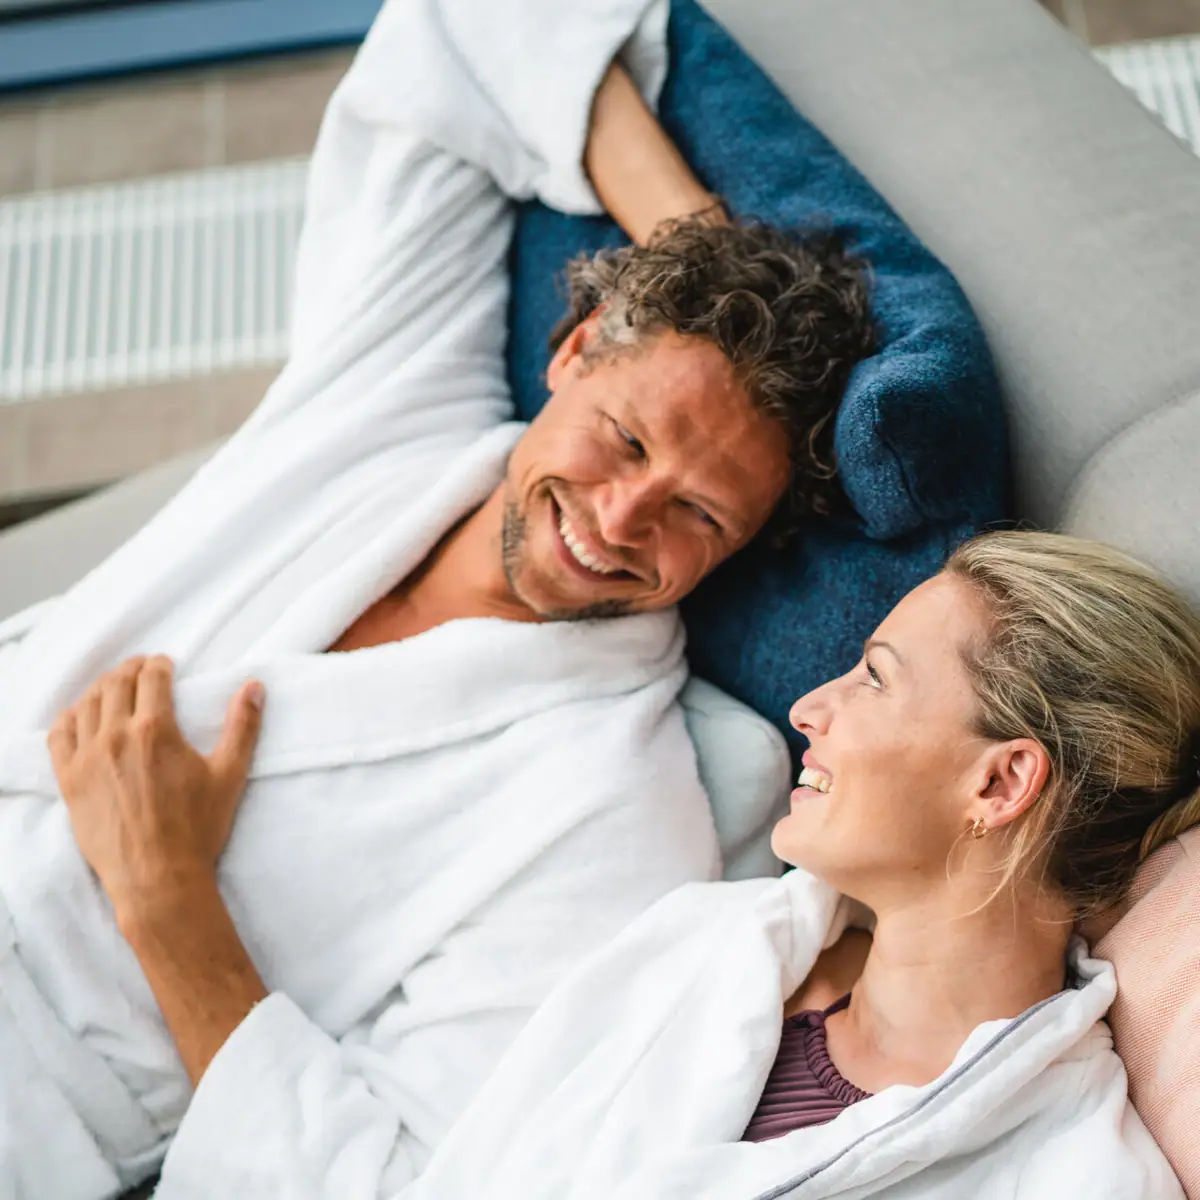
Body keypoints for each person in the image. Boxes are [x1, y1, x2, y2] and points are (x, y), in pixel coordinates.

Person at [0, 0, 874, 1196]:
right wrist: (705, 251)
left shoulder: (613, 814)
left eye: (700, 515)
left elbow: (396, 1181)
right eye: (624, 438)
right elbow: (454, 25)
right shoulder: (399, 397)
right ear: (572, 352)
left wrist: (171, 908)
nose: (622, 522)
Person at [68, 531, 1193, 1196]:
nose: (814, 707)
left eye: (876, 679)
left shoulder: (1075, 1173)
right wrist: (164, 903)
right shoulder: (706, 951)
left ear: (1000, 785)